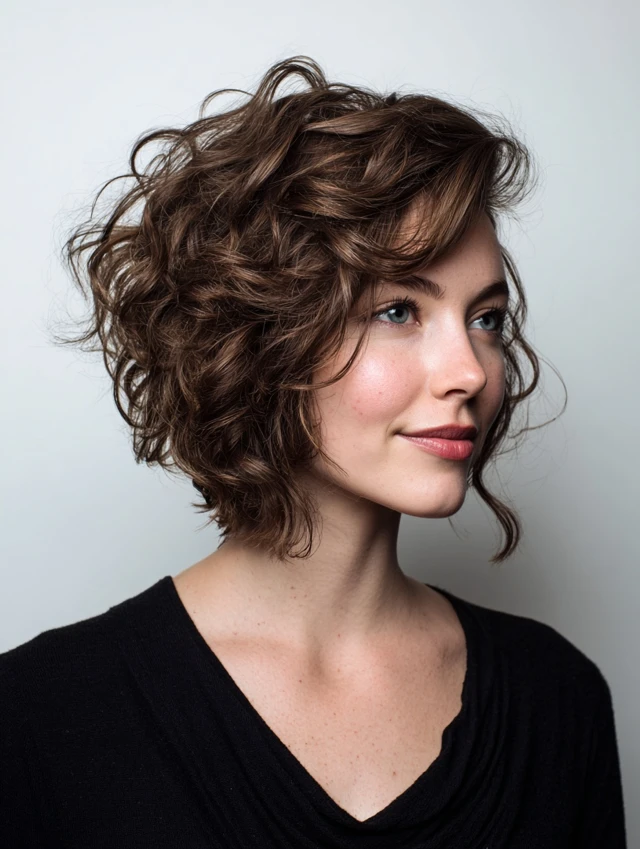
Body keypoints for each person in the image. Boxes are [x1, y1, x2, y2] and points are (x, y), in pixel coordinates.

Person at [0, 55, 627, 847]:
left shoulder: (557, 698)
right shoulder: (39, 716)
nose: (470, 371)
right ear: (264, 336)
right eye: (398, 310)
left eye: (487, 319)